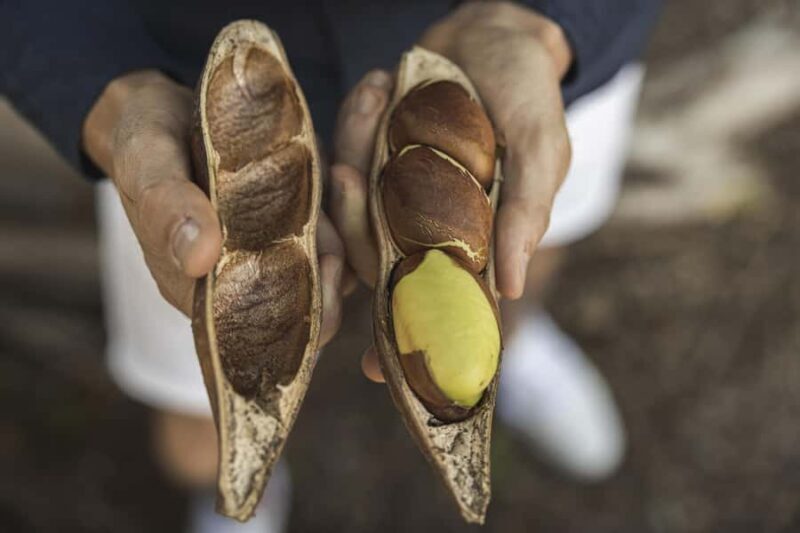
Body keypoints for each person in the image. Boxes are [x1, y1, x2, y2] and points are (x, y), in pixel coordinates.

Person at [1, 1, 661, 531]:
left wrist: (552, 24)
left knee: (522, 252)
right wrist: (103, 88)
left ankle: (514, 351)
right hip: (187, 103)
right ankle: (236, 490)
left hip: (503, 72)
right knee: (197, 416)